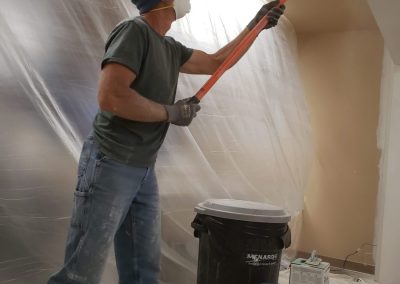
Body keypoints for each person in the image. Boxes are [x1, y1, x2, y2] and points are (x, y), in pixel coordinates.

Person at [47, 0, 285, 283]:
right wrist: (169, 112)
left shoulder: (170, 48)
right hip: (110, 160)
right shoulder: (134, 31)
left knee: (143, 269)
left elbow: (217, 62)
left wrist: (255, 26)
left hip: (143, 168)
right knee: (81, 271)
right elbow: (111, 97)